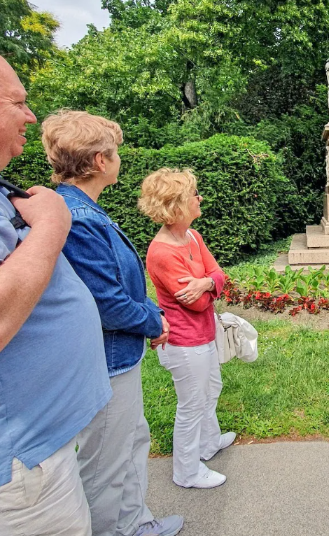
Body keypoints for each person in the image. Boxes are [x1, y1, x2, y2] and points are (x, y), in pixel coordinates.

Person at [0, 35, 111, 534]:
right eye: (17, 102)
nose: (31, 116)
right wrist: (53, 225)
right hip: (8, 477)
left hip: (24, 460)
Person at [40, 111, 184, 536]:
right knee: (106, 462)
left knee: (131, 441)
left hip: (117, 354)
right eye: (116, 152)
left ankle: (135, 522)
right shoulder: (79, 218)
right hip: (107, 360)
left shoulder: (83, 210)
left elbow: (116, 287)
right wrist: (154, 320)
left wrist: (149, 316)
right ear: (100, 161)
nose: (120, 159)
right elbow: (107, 303)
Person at [138, 168, 234, 489]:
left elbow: (218, 275)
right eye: (194, 195)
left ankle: (209, 443)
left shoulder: (193, 237)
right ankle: (187, 472)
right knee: (191, 404)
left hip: (204, 333)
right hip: (184, 341)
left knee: (212, 388)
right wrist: (211, 286)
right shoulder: (162, 252)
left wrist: (205, 282)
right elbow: (196, 304)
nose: (200, 198)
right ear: (177, 205)